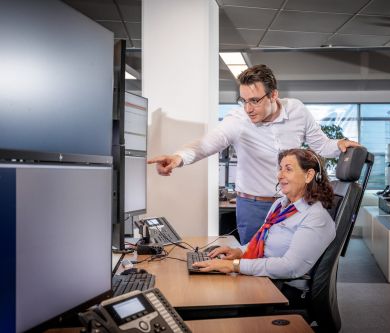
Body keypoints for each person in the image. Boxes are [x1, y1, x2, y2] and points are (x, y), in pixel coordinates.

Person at [148, 64, 359, 244]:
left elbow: (320, 144)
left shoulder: (297, 110)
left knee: (288, 266)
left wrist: (339, 144)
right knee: (254, 267)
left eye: (255, 101)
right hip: (253, 206)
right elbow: (209, 142)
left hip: (292, 202)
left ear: (274, 95)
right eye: (243, 100)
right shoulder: (238, 119)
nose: (248, 108)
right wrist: (179, 157)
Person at [193, 148, 336, 302]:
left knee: (206, 296)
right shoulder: (281, 205)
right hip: (260, 277)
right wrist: (238, 252)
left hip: (278, 288)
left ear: (308, 175)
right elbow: (262, 241)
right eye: (280, 169)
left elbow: (290, 267)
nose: (280, 175)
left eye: (288, 169)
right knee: (200, 286)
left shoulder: (315, 218)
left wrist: (234, 265)